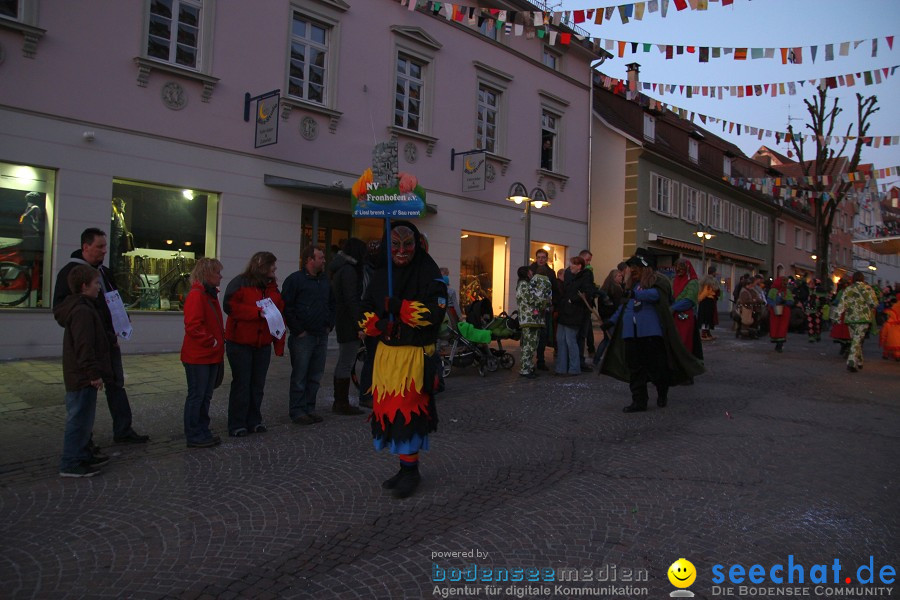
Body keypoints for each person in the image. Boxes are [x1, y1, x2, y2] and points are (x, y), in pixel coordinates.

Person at [360, 221, 447, 499]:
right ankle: (404, 466)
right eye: (395, 244)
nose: (401, 251)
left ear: (417, 245)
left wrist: (400, 307)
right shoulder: (380, 274)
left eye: (407, 244)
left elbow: (435, 313)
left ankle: (411, 471)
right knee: (390, 411)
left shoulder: (429, 274)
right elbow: (363, 309)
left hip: (414, 357)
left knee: (408, 413)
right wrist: (377, 324)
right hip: (386, 357)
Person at [53, 228, 149, 448]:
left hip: (110, 340)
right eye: (100, 247)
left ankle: (123, 430)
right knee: (85, 395)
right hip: (90, 342)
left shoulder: (104, 272)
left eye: (105, 246)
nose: (104, 251)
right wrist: (89, 326)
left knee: (116, 384)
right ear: (86, 247)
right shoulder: (70, 273)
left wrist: (122, 319)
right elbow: (61, 310)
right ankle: (82, 446)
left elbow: (114, 300)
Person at [600, 250, 704, 413]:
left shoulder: (659, 281)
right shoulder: (632, 285)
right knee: (635, 369)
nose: (632, 270)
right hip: (631, 332)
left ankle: (662, 392)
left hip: (649, 333)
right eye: (631, 267)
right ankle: (639, 401)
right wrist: (611, 321)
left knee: (656, 368)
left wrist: (635, 293)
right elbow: (624, 306)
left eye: (635, 266)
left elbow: (655, 296)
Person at [53, 265, 113, 477]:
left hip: (81, 375)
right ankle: (71, 462)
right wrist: (93, 374)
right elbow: (84, 346)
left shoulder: (84, 307)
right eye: (96, 283)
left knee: (84, 419)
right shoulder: (82, 311)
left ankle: (82, 454)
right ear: (84, 286)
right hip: (81, 376)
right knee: (78, 419)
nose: (99, 287)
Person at [223, 251, 285, 436]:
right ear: (262, 266)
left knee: (257, 385)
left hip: (262, 343)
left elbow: (279, 311)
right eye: (272, 265)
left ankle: (254, 420)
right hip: (240, 343)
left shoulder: (272, 287)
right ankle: (237, 423)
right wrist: (256, 312)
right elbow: (230, 307)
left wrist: (278, 341)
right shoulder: (239, 283)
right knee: (242, 384)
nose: (275, 268)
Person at [282, 245, 335, 424]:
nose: (324, 260)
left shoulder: (325, 280)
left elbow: (332, 303)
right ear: (310, 260)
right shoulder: (295, 280)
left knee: (315, 375)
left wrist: (329, 324)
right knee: (300, 375)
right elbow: (287, 307)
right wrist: (298, 330)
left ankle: (309, 407)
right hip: (303, 336)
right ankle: (297, 410)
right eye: (321, 257)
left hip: (320, 334)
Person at [180, 257, 225, 449]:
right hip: (199, 356)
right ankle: (195, 433)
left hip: (209, 354)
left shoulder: (207, 294)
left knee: (204, 396)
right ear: (207, 273)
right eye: (217, 272)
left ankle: (202, 430)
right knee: (197, 395)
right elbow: (193, 325)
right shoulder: (198, 295)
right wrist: (212, 341)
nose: (220, 276)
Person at [327, 238, 367, 416]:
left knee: (344, 360)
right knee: (347, 361)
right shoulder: (349, 271)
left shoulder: (340, 269)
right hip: (349, 322)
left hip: (343, 320)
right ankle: (341, 403)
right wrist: (359, 324)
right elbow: (352, 300)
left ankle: (340, 401)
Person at [555, 256, 593, 376]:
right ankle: (561, 367)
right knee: (561, 339)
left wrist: (573, 300)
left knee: (570, 340)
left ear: (579, 266)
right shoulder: (569, 274)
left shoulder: (585, 276)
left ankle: (574, 368)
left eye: (572, 264)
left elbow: (586, 293)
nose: (570, 266)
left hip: (575, 312)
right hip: (565, 310)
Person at [835, 272, 878, 373]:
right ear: (863, 279)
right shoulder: (868, 289)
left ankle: (859, 361)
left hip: (850, 318)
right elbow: (874, 304)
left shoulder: (848, 289)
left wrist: (836, 316)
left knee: (855, 339)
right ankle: (852, 362)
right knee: (857, 340)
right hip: (863, 318)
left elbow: (842, 304)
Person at [515, 265, 552, 379]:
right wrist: (545, 302)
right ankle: (525, 369)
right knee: (529, 345)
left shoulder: (525, 284)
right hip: (529, 319)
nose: (532, 273)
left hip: (532, 319)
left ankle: (529, 367)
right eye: (530, 272)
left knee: (532, 345)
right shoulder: (524, 285)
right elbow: (531, 299)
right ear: (526, 273)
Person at [528, 248, 558, 371]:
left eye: (543, 257)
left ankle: (541, 360)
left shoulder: (551, 273)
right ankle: (528, 361)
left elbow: (554, 290)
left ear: (547, 259)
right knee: (531, 335)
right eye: (539, 257)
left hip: (545, 309)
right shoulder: (530, 270)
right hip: (532, 309)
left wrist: (553, 304)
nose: (541, 259)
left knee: (543, 335)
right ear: (536, 258)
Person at [671, 258, 702, 362]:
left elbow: (689, 300)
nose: (678, 270)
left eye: (681, 267)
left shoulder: (692, 282)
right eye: (677, 267)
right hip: (674, 317)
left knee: (684, 342)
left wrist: (672, 308)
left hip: (685, 317)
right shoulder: (674, 280)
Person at [766, 277, 794, 353]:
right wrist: (774, 304)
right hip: (775, 310)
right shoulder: (773, 290)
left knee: (782, 327)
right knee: (775, 326)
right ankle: (777, 341)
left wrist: (785, 302)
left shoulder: (787, 291)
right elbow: (769, 299)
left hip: (784, 311)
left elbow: (791, 301)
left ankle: (780, 344)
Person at [697, 266, 720, 341]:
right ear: (713, 272)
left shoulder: (705, 279)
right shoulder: (709, 281)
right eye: (715, 272)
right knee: (706, 317)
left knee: (708, 317)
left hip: (706, 300)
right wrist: (700, 298)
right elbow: (706, 291)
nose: (716, 273)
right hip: (707, 301)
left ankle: (707, 333)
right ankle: (704, 334)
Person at [879, 295, 900, 361]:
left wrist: (882, 339)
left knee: (887, 346)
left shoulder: (887, 324)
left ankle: (886, 355)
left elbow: (883, 334)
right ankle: (897, 356)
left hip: (889, 341)